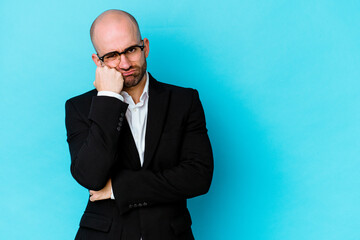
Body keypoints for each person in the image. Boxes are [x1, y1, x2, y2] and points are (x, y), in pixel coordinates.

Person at [65, 9, 213, 240]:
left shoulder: (184, 101)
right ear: (98, 61)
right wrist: (108, 99)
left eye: (131, 50)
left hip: (170, 233)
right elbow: (90, 177)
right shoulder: (79, 107)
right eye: (112, 55)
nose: (124, 63)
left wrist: (117, 189)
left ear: (145, 46)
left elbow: (198, 176)